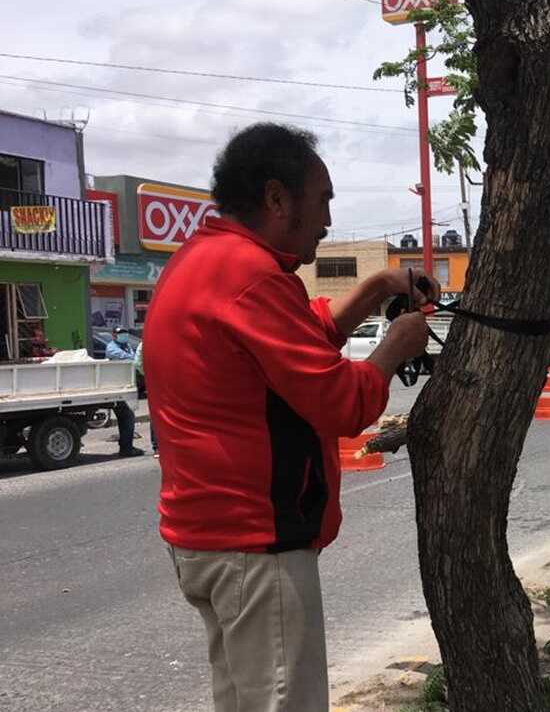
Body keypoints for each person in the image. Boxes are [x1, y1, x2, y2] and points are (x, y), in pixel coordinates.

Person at [143, 123, 435, 712]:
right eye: (323, 199)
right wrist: (398, 344)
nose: (329, 220)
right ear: (278, 199)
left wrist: (379, 285)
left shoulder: (204, 261)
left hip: (210, 541)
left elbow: (304, 340)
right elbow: (342, 402)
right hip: (255, 548)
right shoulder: (250, 278)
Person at [104, 326, 144, 457]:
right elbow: (129, 358)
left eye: (124, 333)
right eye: (120, 334)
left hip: (125, 386)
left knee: (127, 416)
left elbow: (133, 358)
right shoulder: (111, 347)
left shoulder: (127, 346)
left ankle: (126, 446)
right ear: (114, 336)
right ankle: (126, 448)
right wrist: (134, 358)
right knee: (127, 416)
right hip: (116, 387)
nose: (123, 336)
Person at [133, 341, 156, 458]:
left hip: (155, 379)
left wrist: (147, 373)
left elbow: (138, 363)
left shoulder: (144, 343)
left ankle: (157, 447)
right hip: (172, 380)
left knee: (156, 413)